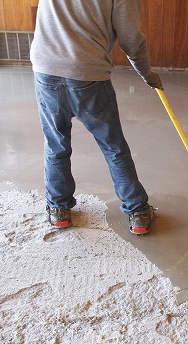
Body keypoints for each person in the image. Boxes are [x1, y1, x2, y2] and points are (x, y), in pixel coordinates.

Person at [30, 0, 162, 235]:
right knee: (113, 146)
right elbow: (131, 38)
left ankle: (58, 209)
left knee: (55, 143)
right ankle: (138, 211)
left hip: (46, 69)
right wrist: (147, 74)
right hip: (87, 73)